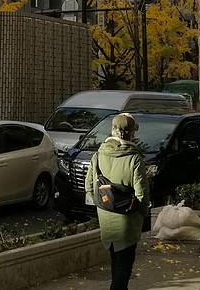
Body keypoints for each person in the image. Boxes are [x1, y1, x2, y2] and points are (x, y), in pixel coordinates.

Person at [85, 113, 150, 290]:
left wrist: (103, 206)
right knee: (124, 267)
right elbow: (142, 194)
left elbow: (89, 188)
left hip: (105, 219)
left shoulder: (98, 155)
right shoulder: (134, 157)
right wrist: (142, 214)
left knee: (115, 262)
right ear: (130, 134)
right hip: (128, 222)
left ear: (112, 130)